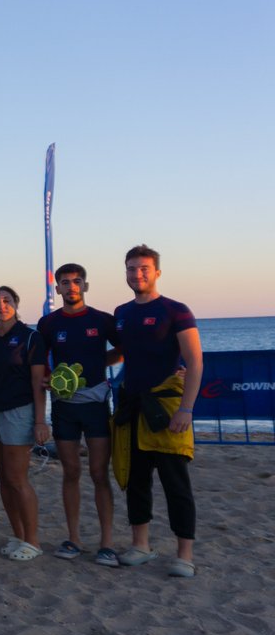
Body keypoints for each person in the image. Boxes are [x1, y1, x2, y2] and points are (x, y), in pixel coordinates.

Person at [113, 244, 202, 578]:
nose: (137, 274)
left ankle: (184, 554)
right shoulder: (121, 312)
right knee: (136, 481)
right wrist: (76, 372)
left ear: (157, 272)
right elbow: (119, 355)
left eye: (144, 268)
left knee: (175, 483)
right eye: (132, 268)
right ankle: (141, 545)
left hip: (166, 407)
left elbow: (194, 361)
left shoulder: (175, 310)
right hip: (131, 406)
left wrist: (187, 409)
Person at [36, 263, 123, 567]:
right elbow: (39, 362)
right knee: (71, 472)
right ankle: (73, 539)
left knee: (100, 473)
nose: (71, 287)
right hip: (64, 408)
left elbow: (123, 350)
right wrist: (48, 377)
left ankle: (107, 543)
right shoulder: (48, 324)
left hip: (96, 406)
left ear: (85, 286)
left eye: (76, 282)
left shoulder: (102, 320)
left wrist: (99, 363)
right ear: (57, 288)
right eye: (65, 282)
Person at [0, 286, 49, 561]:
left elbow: (38, 383)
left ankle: (32, 541)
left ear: (16, 303)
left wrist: (40, 421)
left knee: (18, 479)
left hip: (18, 412)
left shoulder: (30, 337)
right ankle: (18, 534)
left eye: (6, 300)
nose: (1, 306)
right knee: (4, 480)